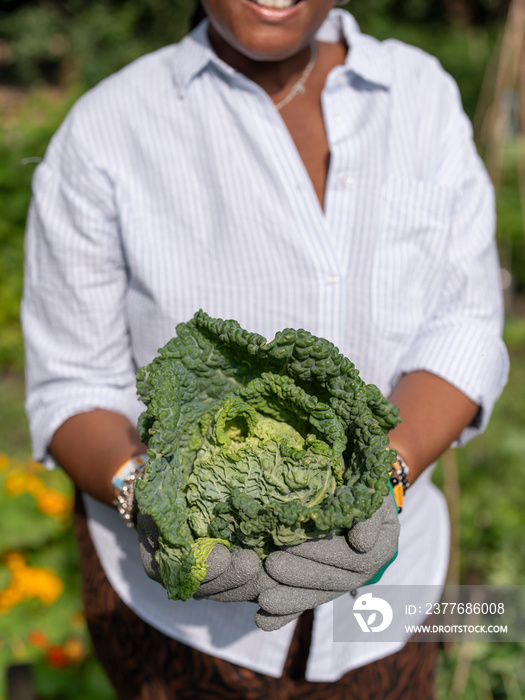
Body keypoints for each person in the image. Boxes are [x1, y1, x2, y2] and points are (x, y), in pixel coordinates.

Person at [22, 0, 509, 697]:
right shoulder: (108, 130)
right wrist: (149, 501)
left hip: (388, 594)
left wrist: (382, 483)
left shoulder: (419, 94)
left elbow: (461, 326)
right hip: (179, 622)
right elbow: (71, 386)